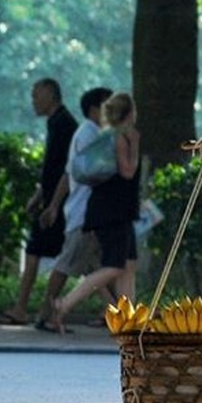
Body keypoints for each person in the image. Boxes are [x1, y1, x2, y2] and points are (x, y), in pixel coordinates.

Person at [51, 91, 141, 331]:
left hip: (119, 210)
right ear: (129, 113)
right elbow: (127, 171)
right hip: (112, 212)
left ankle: (127, 319)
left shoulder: (106, 136)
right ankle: (65, 303)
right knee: (115, 266)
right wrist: (136, 145)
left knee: (129, 265)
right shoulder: (120, 137)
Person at [33, 85, 113, 331]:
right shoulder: (89, 135)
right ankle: (45, 314)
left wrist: (55, 206)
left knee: (101, 266)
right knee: (66, 265)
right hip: (85, 213)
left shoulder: (89, 133)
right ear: (93, 109)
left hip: (86, 212)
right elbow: (97, 174)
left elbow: (68, 174)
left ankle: (114, 313)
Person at [0, 78, 78, 325]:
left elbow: (64, 170)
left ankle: (29, 308)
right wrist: (40, 195)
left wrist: (53, 204)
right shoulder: (57, 123)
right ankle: (39, 309)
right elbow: (51, 169)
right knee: (77, 258)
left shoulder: (63, 125)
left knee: (48, 253)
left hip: (60, 202)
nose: (33, 101)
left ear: (50, 96)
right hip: (55, 199)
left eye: (36, 95)